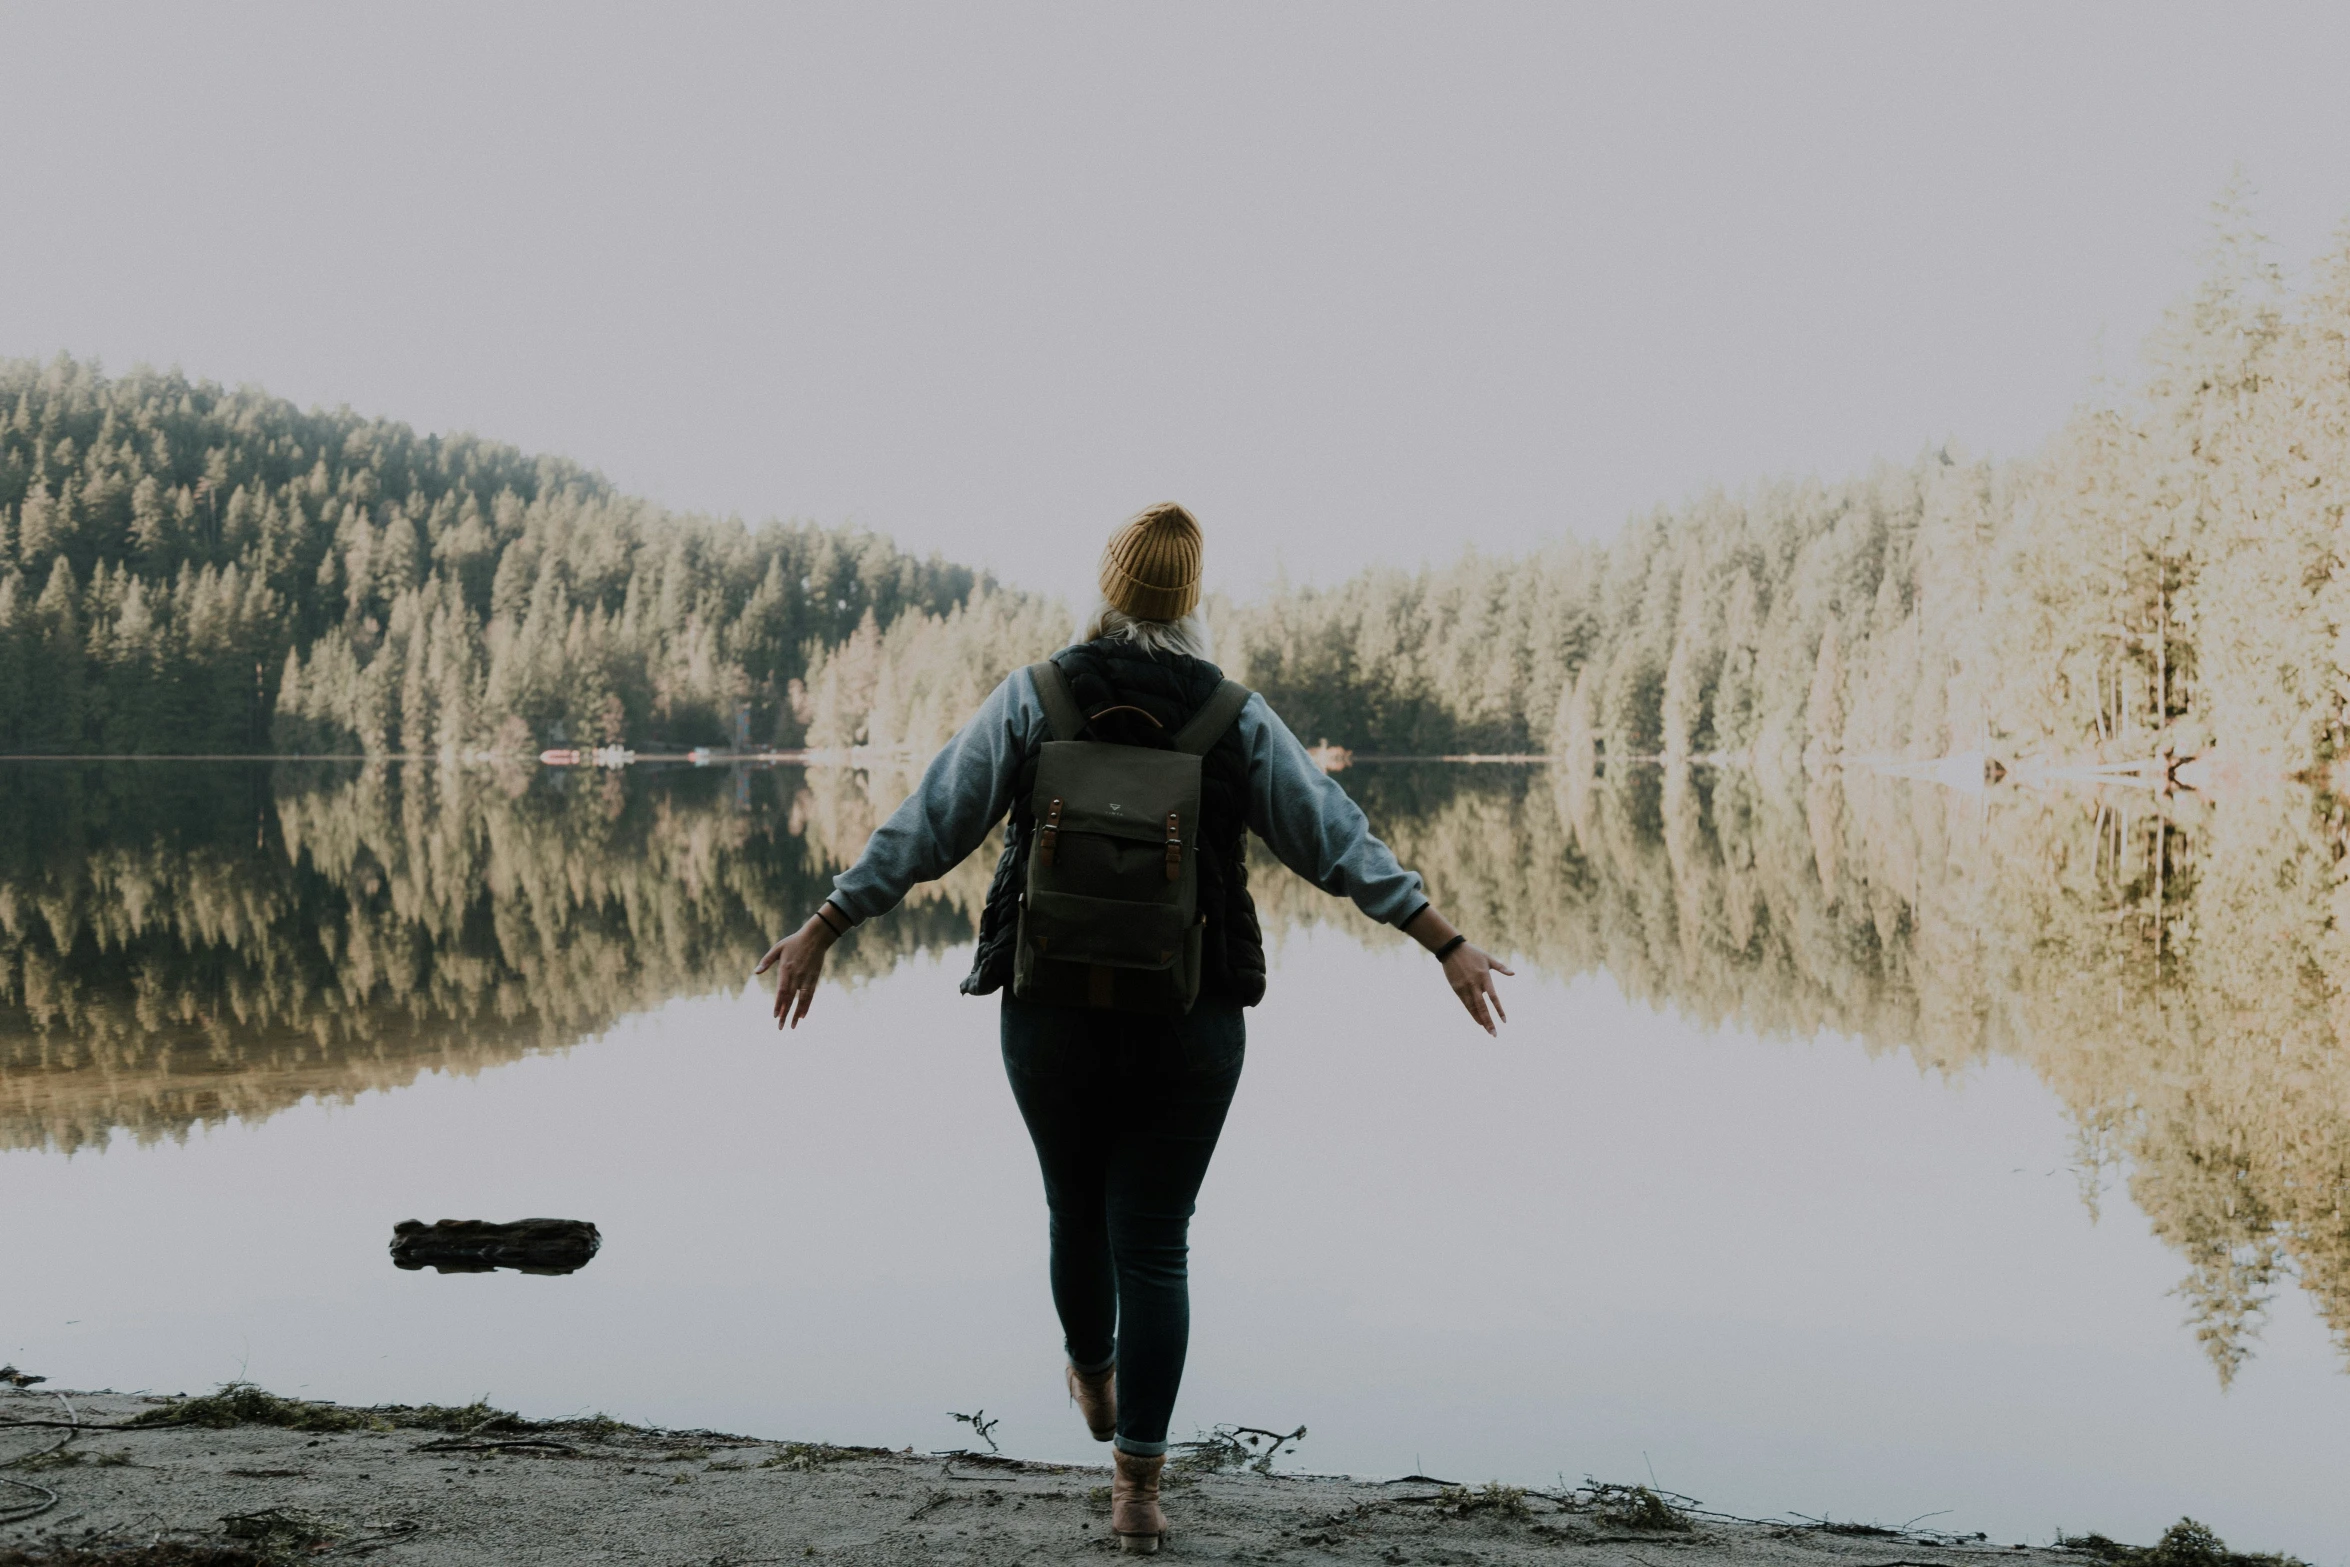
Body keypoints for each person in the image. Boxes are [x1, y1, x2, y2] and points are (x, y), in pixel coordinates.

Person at [754, 503, 1511, 1555]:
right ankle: (1139, 1493)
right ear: (1188, 604)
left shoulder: (1039, 695)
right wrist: (1443, 941)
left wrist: (826, 923)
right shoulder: (1231, 715)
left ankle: (1093, 1375)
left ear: (1106, 592)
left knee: (1075, 1211)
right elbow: (1333, 838)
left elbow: (932, 821)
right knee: (1154, 1246)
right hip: (1188, 1022)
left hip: (1050, 1015)